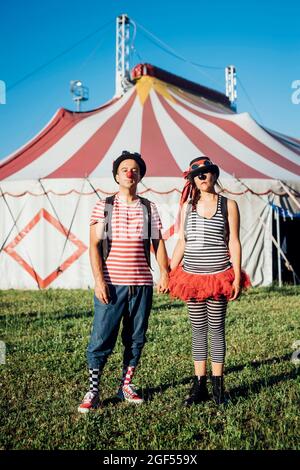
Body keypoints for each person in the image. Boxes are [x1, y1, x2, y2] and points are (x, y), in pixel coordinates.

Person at [78, 151, 169, 413]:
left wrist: (165, 272)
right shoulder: (104, 206)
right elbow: (94, 246)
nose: (130, 173)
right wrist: (99, 281)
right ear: (117, 175)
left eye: (135, 169)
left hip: (141, 284)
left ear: (140, 175)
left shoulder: (149, 207)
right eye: (125, 169)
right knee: (101, 338)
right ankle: (94, 390)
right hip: (112, 284)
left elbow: (158, 243)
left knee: (136, 338)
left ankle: (126, 385)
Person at [169, 156, 251, 406]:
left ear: (214, 175)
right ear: (192, 179)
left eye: (206, 173)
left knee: (216, 330)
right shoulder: (187, 206)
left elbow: (233, 241)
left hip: (218, 276)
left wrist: (237, 276)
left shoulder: (229, 204)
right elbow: (182, 241)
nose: (202, 177)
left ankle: (218, 387)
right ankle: (199, 385)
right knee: (198, 331)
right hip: (192, 277)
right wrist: (170, 272)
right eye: (197, 175)